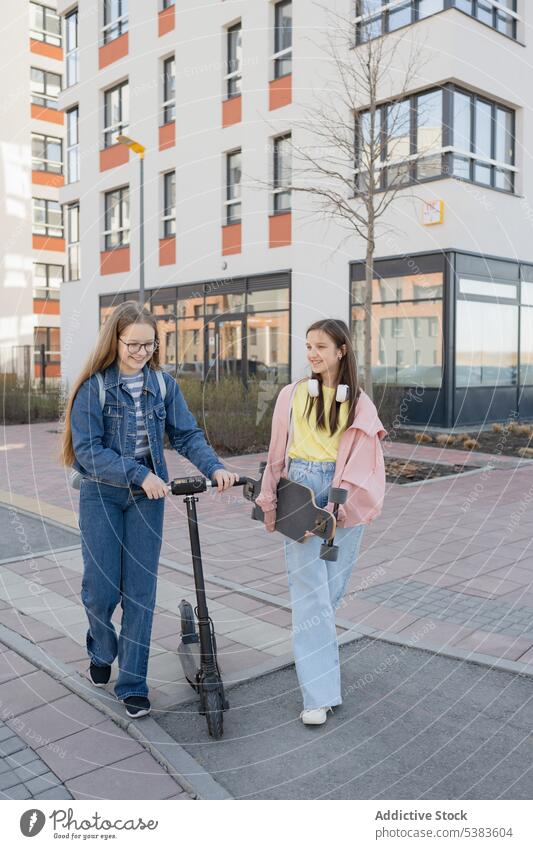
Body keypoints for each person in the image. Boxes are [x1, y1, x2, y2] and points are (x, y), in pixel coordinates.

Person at [61, 301, 237, 718]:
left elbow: (186, 433)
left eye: (149, 344)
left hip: (147, 499)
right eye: (133, 344)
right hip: (102, 493)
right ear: (115, 341)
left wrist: (215, 467)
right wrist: (138, 474)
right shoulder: (95, 388)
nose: (141, 352)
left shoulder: (163, 385)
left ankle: (133, 683)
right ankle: (102, 650)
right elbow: (87, 451)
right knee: (100, 592)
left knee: (140, 594)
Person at [256, 318, 387, 726]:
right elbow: (277, 451)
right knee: (310, 596)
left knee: (329, 594)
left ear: (341, 351)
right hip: (301, 487)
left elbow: (364, 460)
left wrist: (335, 505)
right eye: (309, 346)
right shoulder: (291, 395)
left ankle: (322, 677)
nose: (312, 354)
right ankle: (318, 695)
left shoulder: (360, 403)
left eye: (321, 347)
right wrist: (268, 496)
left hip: (344, 491)